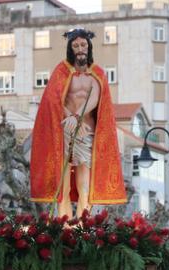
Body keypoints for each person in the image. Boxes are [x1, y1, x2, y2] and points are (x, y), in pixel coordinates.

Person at [29, 27, 125, 217]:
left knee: (85, 183)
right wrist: (70, 116)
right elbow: (53, 100)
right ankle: (65, 222)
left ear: (88, 47)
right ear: (70, 48)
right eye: (75, 45)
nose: (80, 48)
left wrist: (79, 116)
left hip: (86, 131)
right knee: (62, 182)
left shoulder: (97, 73)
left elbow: (97, 98)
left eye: (83, 45)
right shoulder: (61, 71)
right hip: (64, 131)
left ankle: (83, 223)